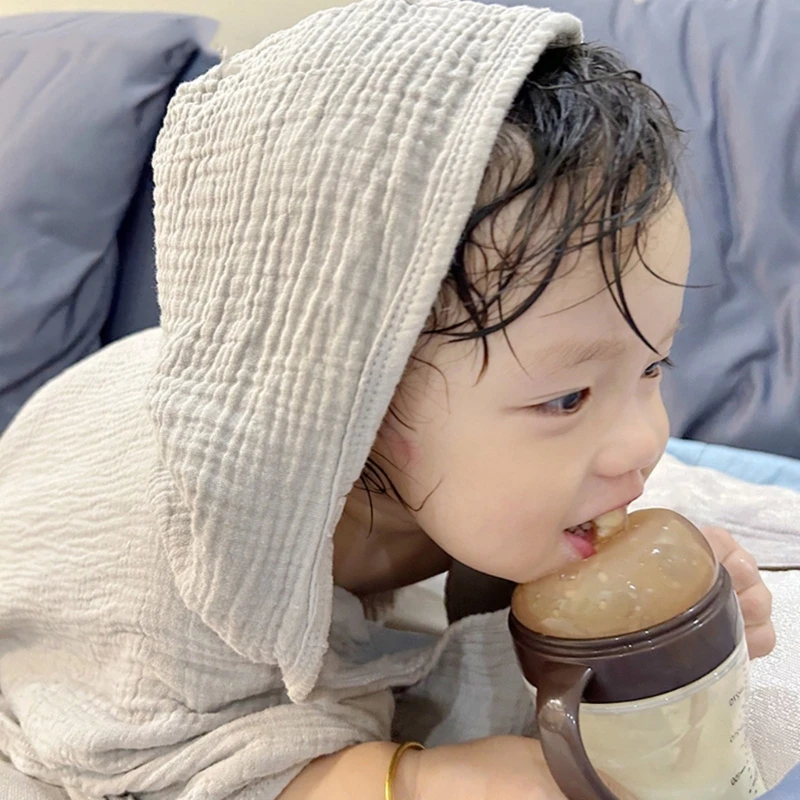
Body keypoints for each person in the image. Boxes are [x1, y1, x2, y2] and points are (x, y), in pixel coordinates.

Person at [0, 1, 783, 798]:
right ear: (351, 395)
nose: (643, 442)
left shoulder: (481, 477)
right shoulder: (163, 587)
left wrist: (659, 625)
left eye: (653, 367)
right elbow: (142, 755)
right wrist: (400, 781)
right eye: (569, 398)